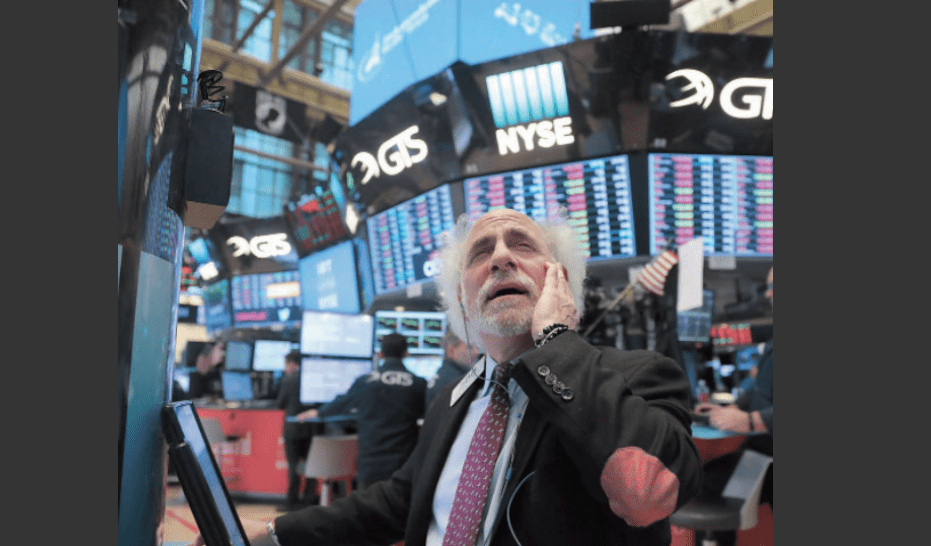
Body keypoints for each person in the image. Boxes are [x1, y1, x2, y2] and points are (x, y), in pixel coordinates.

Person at [194, 207, 701, 546]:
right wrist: (273, 533)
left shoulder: (637, 376)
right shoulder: (456, 399)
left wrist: (556, 340)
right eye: (481, 253)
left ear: (560, 279)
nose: (500, 257)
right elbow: (399, 502)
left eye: (521, 245)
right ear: (462, 297)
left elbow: (644, 495)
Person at [692, 266, 773, 545]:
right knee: (702, 483)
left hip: (769, 458)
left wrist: (751, 421)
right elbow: (764, 388)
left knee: (703, 488)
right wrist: (735, 409)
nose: (768, 294)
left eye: (773, 287)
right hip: (760, 453)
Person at [296, 332, 427, 489]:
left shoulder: (365, 382)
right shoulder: (418, 384)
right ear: (406, 353)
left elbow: (343, 402)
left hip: (371, 465)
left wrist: (318, 412)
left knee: (368, 503)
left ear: (380, 354)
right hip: (404, 466)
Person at [274, 351, 320, 510]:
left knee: (293, 468)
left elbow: (280, 404)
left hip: (293, 431)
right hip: (311, 429)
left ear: (292, 364)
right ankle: (308, 501)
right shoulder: (313, 379)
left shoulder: (288, 380)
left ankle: (291, 503)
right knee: (310, 467)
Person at [425, 327, 478, 409]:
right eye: (469, 347)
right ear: (451, 351)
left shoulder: (444, 375)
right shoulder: (456, 381)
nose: (476, 352)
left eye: (477, 347)